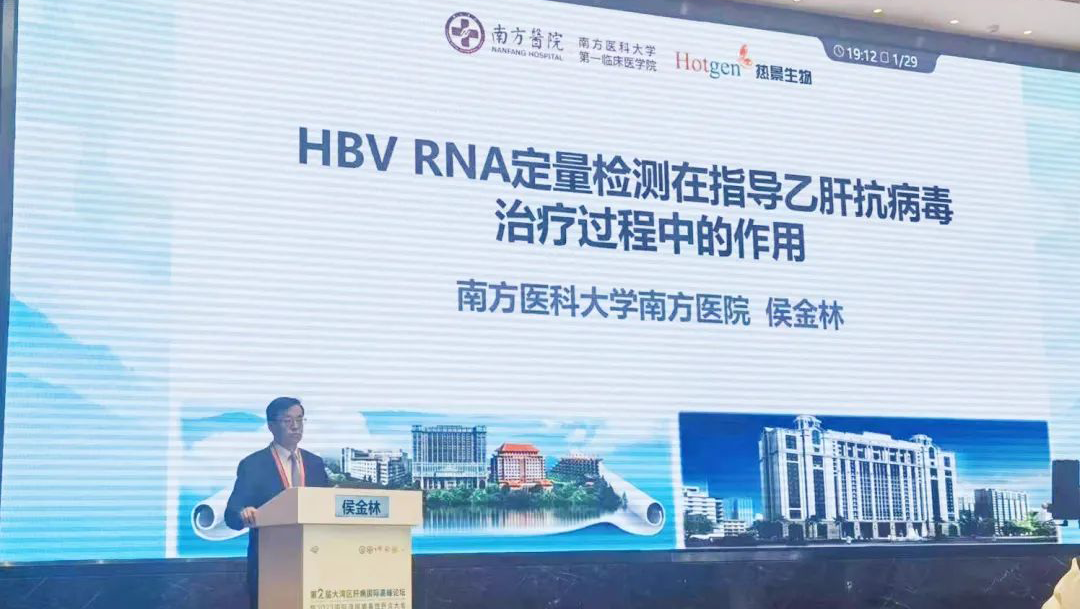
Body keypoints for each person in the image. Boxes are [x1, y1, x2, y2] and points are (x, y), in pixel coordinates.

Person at [225, 397, 330, 609]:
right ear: (271, 426)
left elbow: (326, 507)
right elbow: (231, 514)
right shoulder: (254, 464)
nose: (295, 426)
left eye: (300, 419)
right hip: (270, 565)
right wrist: (244, 513)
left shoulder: (315, 463)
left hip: (313, 561)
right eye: (287, 420)